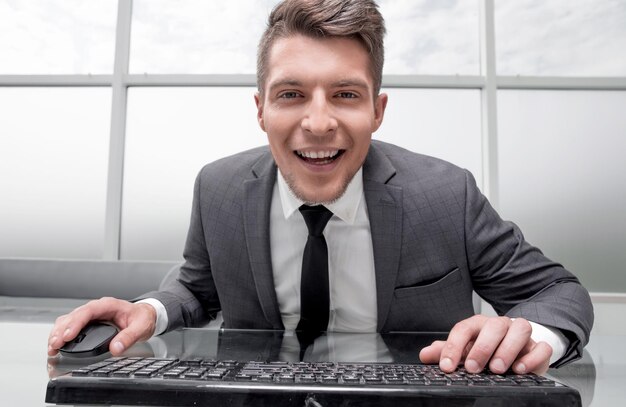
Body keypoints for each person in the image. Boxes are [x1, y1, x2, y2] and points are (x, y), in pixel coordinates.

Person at [48, 0, 593, 375]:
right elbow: (196, 287)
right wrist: (152, 311)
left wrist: (533, 336)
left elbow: (558, 293)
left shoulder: (446, 194)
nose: (318, 122)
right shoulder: (218, 188)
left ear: (378, 111)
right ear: (260, 110)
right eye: (290, 94)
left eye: (345, 95)